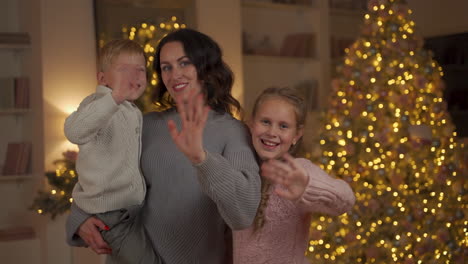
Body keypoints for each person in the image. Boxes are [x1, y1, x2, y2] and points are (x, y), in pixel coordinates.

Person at [65, 28, 261, 264]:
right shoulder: (145, 123)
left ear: (206, 66)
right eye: (166, 67)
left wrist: (202, 159)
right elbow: (99, 172)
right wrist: (79, 218)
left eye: (184, 63)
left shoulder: (233, 132)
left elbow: (244, 213)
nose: (174, 74)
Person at [64, 39, 161, 263]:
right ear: (102, 78)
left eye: (140, 70)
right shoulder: (97, 103)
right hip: (111, 215)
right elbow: (74, 131)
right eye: (123, 69)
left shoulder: (131, 110)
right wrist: (114, 97)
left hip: (130, 211)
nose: (134, 76)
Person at [233, 87, 356, 264]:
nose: (272, 132)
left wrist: (308, 186)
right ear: (252, 123)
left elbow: (346, 200)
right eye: (265, 122)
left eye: (283, 126)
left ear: (296, 135)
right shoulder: (241, 169)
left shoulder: (299, 171)